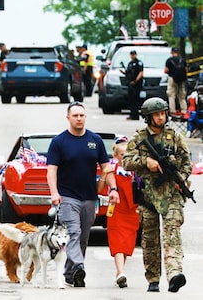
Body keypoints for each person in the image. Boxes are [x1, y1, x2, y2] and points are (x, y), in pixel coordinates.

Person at [46, 101, 119, 288]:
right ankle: (79, 266)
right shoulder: (59, 142)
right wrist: (54, 192)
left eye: (82, 115)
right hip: (68, 197)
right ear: (68, 118)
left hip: (89, 198)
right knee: (73, 233)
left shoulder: (95, 140)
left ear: (85, 117)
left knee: (83, 238)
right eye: (75, 115)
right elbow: (51, 170)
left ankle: (71, 274)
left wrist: (113, 189)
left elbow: (106, 168)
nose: (79, 118)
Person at [122, 97, 191, 293]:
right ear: (148, 117)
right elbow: (126, 161)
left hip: (172, 196)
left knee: (172, 235)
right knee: (150, 240)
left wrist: (183, 180)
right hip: (148, 196)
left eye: (163, 114)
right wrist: (146, 161)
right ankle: (153, 278)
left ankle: (175, 275)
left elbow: (186, 163)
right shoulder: (139, 137)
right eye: (156, 115)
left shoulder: (175, 136)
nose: (161, 118)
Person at [97, 136, 139, 289]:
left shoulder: (136, 172)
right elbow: (100, 189)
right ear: (116, 156)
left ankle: (119, 273)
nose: (126, 158)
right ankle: (121, 272)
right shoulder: (111, 170)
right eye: (123, 155)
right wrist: (103, 175)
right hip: (116, 210)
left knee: (127, 243)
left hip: (132, 211)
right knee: (118, 242)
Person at [120, 50, 144, 121]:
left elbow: (141, 73)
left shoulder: (138, 63)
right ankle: (132, 114)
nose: (132, 56)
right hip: (130, 84)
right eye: (131, 54)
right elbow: (128, 73)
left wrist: (135, 81)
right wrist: (124, 72)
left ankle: (135, 115)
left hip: (136, 84)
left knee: (135, 100)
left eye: (133, 54)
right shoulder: (130, 63)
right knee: (131, 100)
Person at [165, 47, 188, 116]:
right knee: (182, 96)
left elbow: (165, 70)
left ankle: (173, 111)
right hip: (182, 80)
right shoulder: (182, 60)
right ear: (177, 52)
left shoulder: (169, 60)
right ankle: (184, 110)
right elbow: (186, 70)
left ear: (172, 52)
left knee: (171, 95)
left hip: (172, 79)